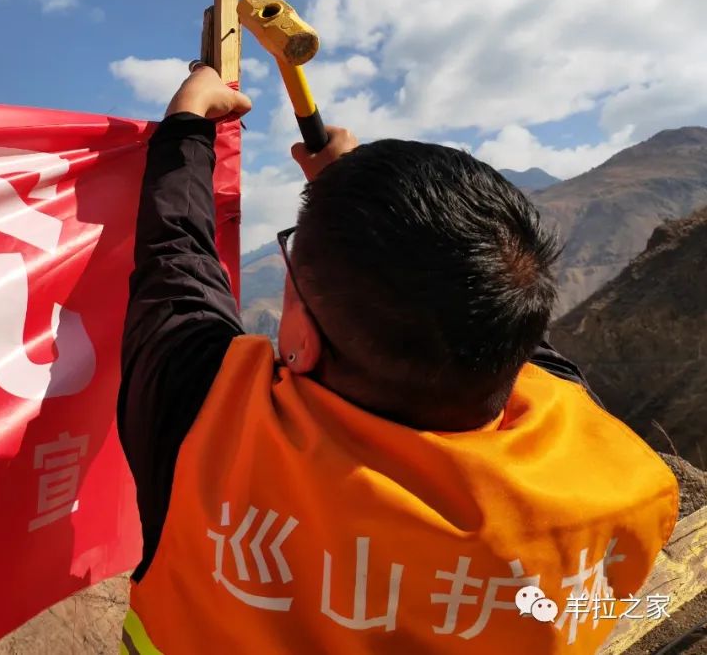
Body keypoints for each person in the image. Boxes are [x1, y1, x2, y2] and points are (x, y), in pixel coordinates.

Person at [116, 65, 678, 654]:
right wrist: (355, 201)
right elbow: (497, 316)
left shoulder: (207, 421)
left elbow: (175, 263)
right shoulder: (616, 477)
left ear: (302, 340)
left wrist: (186, 128)